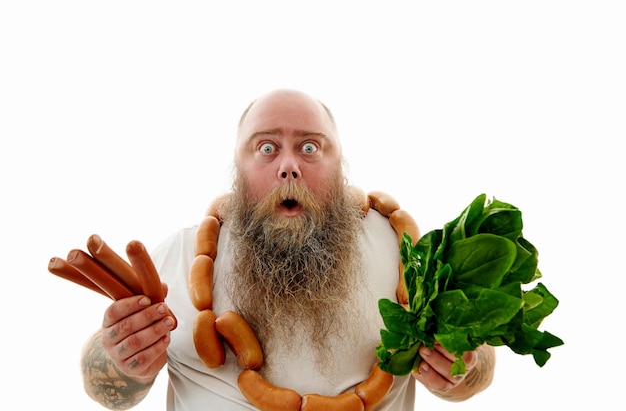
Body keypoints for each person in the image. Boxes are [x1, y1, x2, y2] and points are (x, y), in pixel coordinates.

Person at [79, 89, 496, 410]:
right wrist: (119, 360)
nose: (289, 165)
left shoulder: (410, 254)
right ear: (237, 168)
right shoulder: (181, 256)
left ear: (340, 164)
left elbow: (479, 368)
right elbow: (108, 391)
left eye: (311, 147)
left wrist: (464, 367)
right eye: (266, 147)